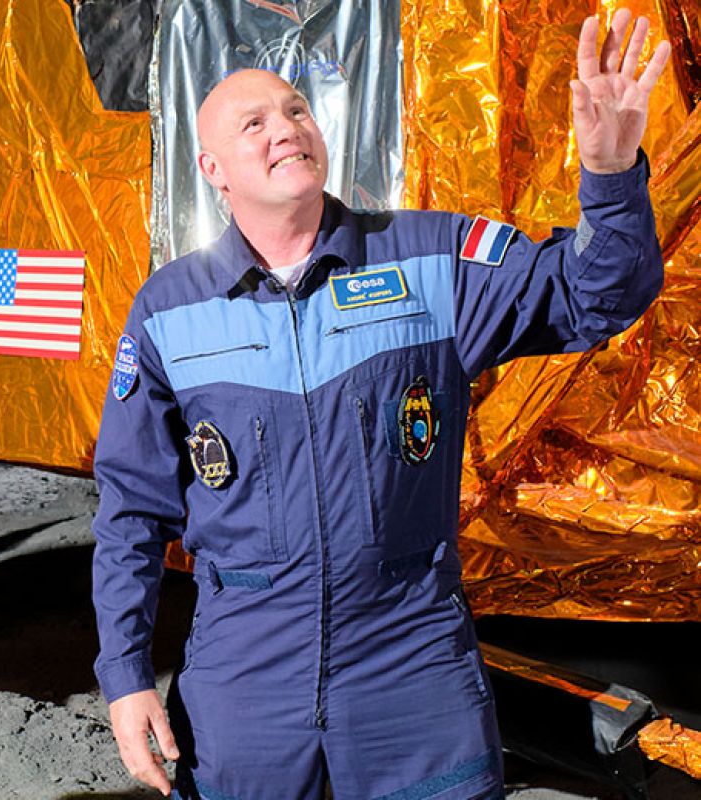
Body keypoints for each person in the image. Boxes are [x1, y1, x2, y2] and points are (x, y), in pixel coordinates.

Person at [91, 12, 669, 799]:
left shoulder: (429, 261)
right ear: (212, 168)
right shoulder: (169, 310)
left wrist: (608, 175)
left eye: (295, 109)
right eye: (252, 122)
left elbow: (594, 295)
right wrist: (124, 675)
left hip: (411, 666)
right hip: (246, 676)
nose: (284, 128)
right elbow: (129, 511)